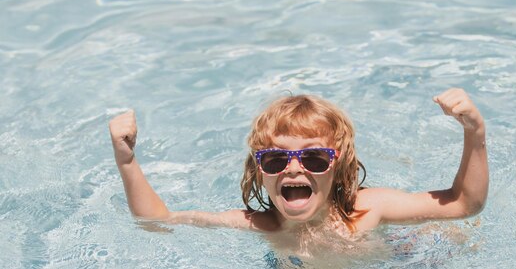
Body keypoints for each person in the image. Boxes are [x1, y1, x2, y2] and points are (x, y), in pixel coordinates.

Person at [109, 88, 488, 239]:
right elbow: (157, 221)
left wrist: (475, 132)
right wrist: (127, 161)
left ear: (338, 167)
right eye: (275, 159)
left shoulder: (368, 209)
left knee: (457, 238)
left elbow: (464, 204)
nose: (293, 169)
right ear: (259, 170)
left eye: (313, 157)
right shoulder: (261, 224)